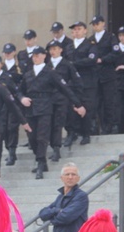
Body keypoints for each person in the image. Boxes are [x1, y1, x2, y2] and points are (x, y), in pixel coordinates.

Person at [17, 46, 86, 179]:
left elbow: (65, 89)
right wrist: (22, 98)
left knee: (42, 137)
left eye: (38, 55)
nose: (35, 58)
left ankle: (40, 163)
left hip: (45, 107)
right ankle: (41, 160)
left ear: (44, 56)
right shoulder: (28, 74)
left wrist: (78, 104)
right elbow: (19, 91)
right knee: (32, 138)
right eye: (33, 56)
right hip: (31, 108)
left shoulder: (50, 72)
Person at [38, 162, 88, 232]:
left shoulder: (81, 196)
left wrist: (54, 217)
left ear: (78, 178)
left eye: (73, 174)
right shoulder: (60, 197)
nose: (70, 177)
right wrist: (57, 210)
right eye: (67, 174)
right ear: (62, 178)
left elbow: (66, 217)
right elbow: (42, 214)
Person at [46, 40, 83, 162]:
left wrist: (75, 98)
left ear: (61, 50)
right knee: (50, 124)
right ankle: (54, 147)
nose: (53, 51)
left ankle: (57, 148)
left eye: (55, 48)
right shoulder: (46, 65)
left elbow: (77, 81)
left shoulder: (67, 64)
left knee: (59, 124)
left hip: (63, 98)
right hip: (49, 99)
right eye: (51, 49)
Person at [66, 20, 99, 146]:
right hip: (72, 83)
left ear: (85, 31)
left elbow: (91, 60)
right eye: (74, 30)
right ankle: (72, 133)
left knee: (87, 107)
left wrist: (73, 64)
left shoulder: (90, 44)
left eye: (79, 29)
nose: (76, 32)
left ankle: (86, 133)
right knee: (71, 108)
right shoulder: (68, 47)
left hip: (87, 82)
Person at [89, 15, 120, 135]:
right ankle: (98, 126)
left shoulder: (110, 37)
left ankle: (111, 126)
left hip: (108, 74)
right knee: (96, 102)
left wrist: (103, 59)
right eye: (93, 24)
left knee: (109, 101)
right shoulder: (91, 39)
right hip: (95, 76)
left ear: (103, 23)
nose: (95, 26)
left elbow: (116, 52)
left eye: (97, 23)